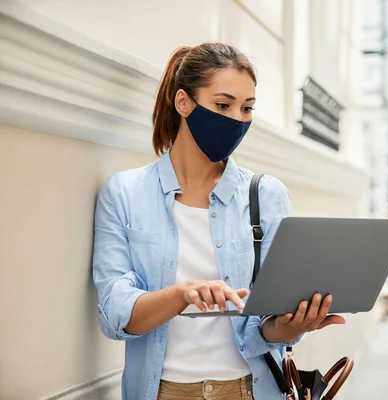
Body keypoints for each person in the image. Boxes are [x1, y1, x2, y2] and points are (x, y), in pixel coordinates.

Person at [92, 43, 345, 400]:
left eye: (247, 108)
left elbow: (264, 325)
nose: (237, 120)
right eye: (222, 105)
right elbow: (116, 314)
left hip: (249, 391)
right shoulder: (123, 193)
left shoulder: (267, 196)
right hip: (161, 392)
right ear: (184, 102)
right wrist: (181, 294)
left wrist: (290, 327)